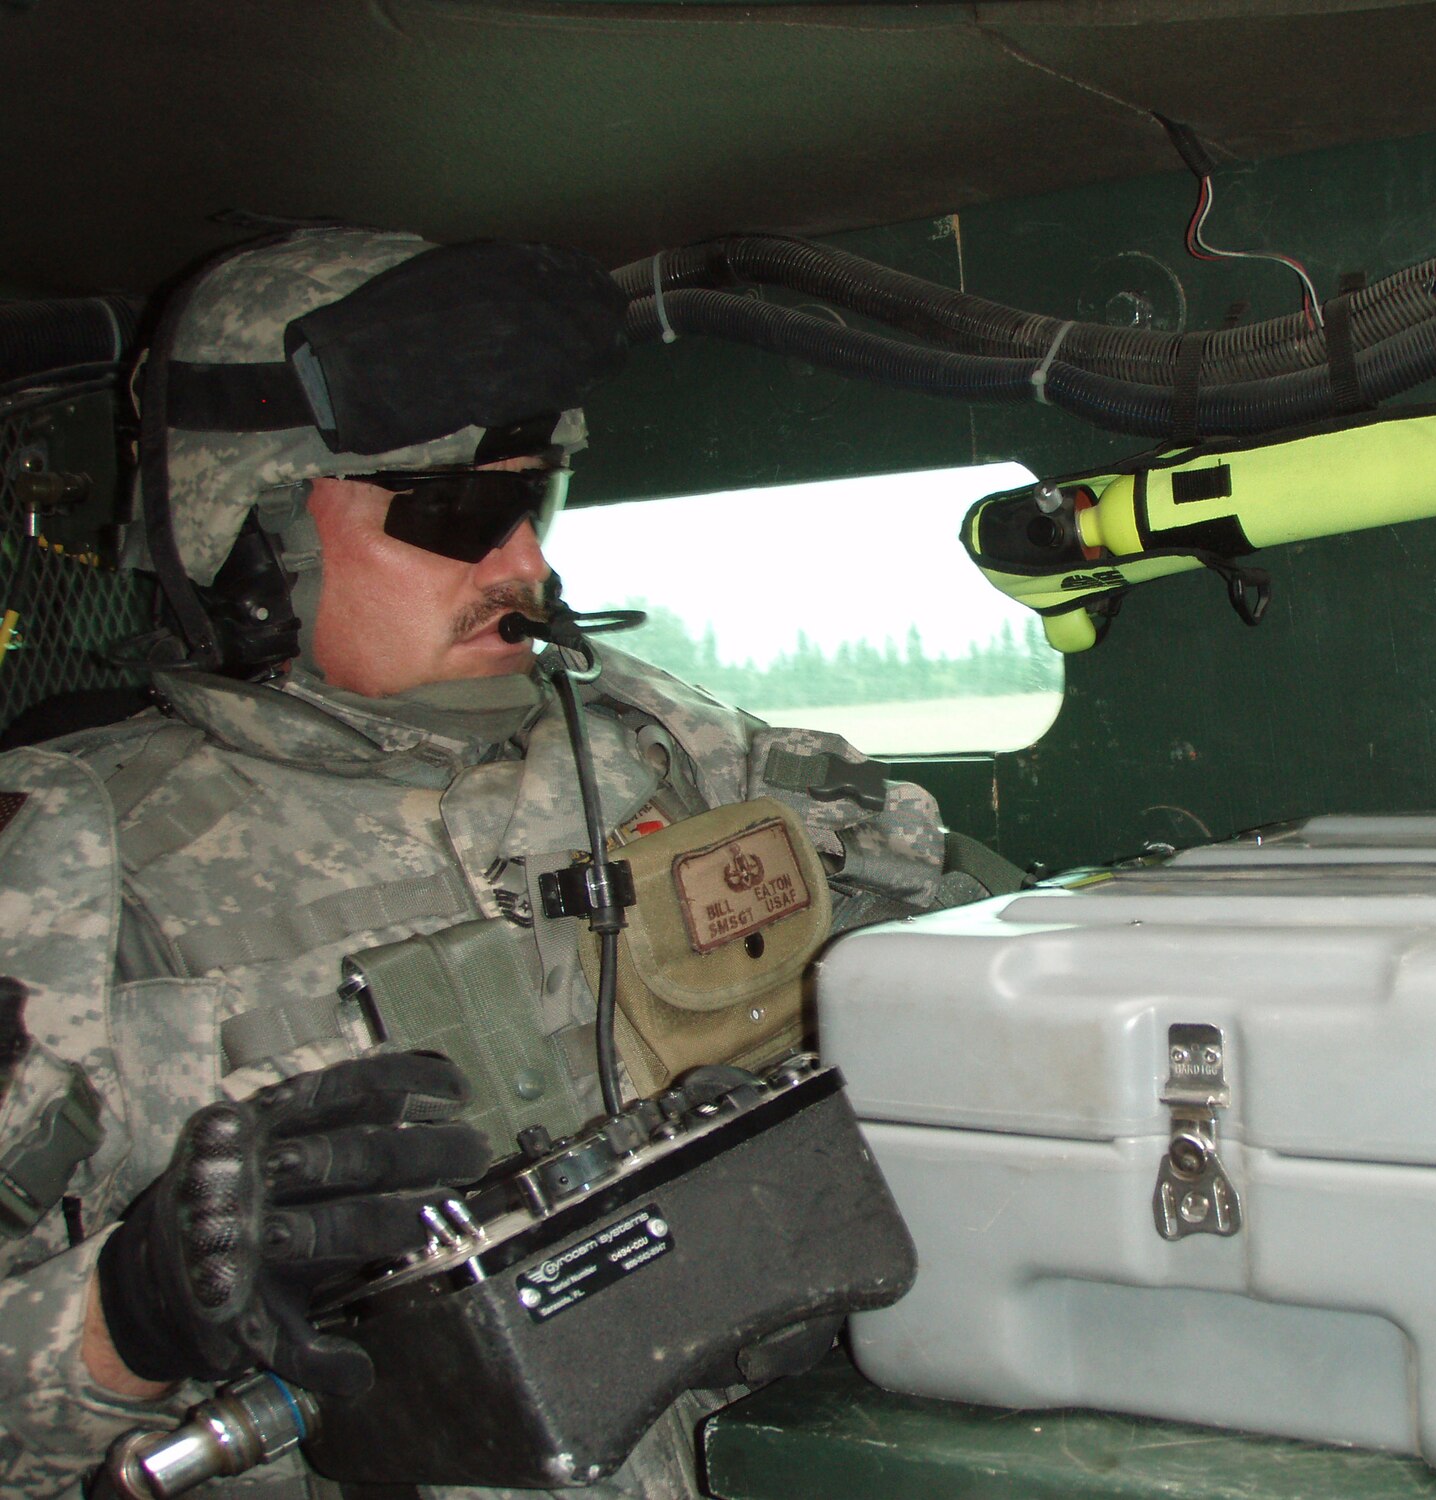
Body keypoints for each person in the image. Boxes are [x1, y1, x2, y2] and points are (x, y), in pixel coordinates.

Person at [0, 227, 1005, 1498]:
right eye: (459, 511)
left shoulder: (669, 746)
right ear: (252, 534)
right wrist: (126, 1319)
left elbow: (994, 952)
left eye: (531, 503)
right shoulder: (71, 860)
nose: (525, 565)